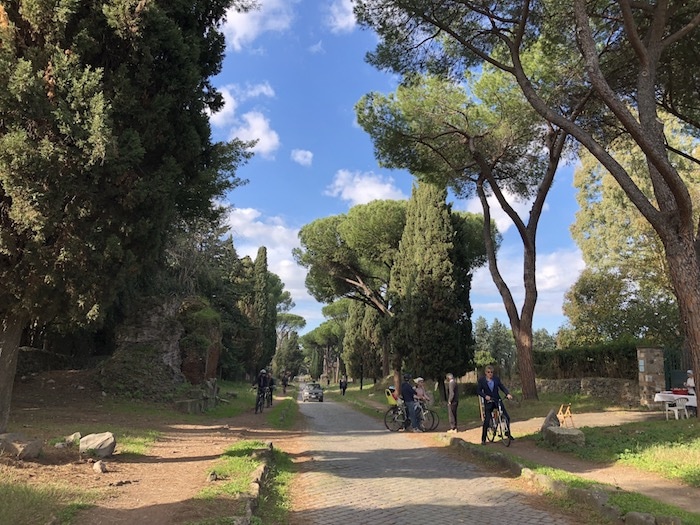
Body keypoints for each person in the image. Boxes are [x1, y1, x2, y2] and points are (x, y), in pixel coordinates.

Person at [477, 365, 513, 444]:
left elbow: (502, 387)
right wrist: (485, 396)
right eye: (488, 372)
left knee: (507, 416)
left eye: (491, 372)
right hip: (489, 401)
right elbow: (479, 391)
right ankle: (483, 439)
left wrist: (507, 394)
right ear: (485, 373)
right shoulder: (482, 381)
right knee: (487, 420)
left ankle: (507, 433)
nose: (490, 374)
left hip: (497, 400)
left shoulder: (496, 379)